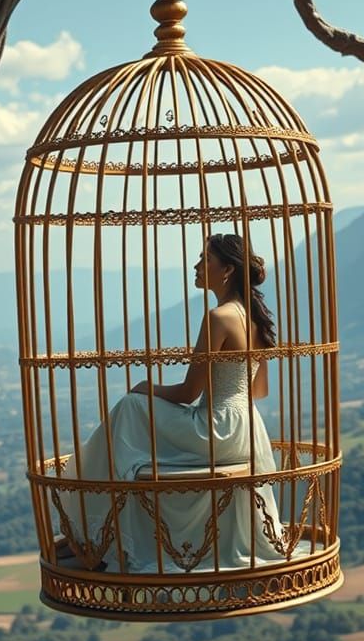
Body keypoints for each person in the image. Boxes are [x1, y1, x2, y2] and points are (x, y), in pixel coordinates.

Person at [50, 234, 285, 573]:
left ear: (228, 269)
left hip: (215, 428)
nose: (197, 265)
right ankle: (99, 535)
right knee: (135, 419)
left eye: (205, 258)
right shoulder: (255, 317)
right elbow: (258, 390)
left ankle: (93, 535)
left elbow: (188, 393)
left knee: (130, 407)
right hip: (246, 427)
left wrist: (147, 387)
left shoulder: (219, 317)